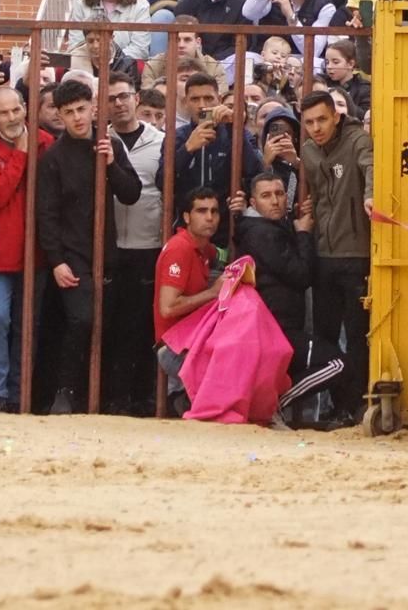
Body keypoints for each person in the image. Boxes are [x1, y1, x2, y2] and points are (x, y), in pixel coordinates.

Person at [36, 78, 142, 415]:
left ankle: (95, 396)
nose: (78, 118)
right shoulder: (53, 157)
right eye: (69, 112)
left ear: (93, 107)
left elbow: (132, 193)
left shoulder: (108, 144)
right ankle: (65, 392)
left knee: (106, 326)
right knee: (81, 320)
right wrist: (56, 260)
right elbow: (46, 214)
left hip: (108, 252)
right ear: (61, 116)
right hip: (72, 255)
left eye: (82, 109)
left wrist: (111, 163)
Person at [236, 172, 348, 422]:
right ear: (253, 204)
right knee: (337, 364)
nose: (275, 201)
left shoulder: (267, 227)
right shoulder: (262, 233)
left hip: (278, 328)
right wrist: (304, 234)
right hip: (278, 331)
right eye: (266, 196)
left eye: (279, 194)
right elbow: (300, 275)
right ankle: (275, 404)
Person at [0, 86, 52, 413]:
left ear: (25, 108)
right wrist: (21, 154)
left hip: (35, 250)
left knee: (28, 326)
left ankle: (19, 395)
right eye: (3, 113)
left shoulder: (45, 142)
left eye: (15, 110)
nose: (11, 118)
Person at [299, 90, 373, 422]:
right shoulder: (309, 152)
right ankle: (327, 406)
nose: (316, 128)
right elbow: (316, 193)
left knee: (358, 335)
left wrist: (370, 196)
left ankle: (354, 405)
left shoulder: (357, 139)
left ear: (336, 116)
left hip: (355, 253)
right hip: (324, 253)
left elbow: (369, 165)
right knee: (325, 334)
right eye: (310, 122)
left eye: (322, 120)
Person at [105, 71, 166, 416]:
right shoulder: (101, 139)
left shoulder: (160, 141)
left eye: (124, 96)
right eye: (111, 98)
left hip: (149, 244)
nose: (119, 103)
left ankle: (144, 399)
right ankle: (113, 397)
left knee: (144, 325)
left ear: (136, 98)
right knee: (112, 326)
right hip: (110, 247)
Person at [151, 186, 226, 415]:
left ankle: (185, 398)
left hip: (191, 341)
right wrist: (213, 292)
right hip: (174, 349)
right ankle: (182, 399)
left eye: (214, 211)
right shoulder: (180, 249)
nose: (209, 218)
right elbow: (168, 307)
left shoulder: (204, 248)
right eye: (201, 211)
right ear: (186, 217)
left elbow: (221, 255)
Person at [167, 72, 262, 243]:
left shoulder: (233, 133)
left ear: (218, 99)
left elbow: (255, 174)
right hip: (186, 230)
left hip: (228, 229)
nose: (202, 105)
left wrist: (234, 127)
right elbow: (163, 182)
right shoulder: (178, 137)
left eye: (208, 98)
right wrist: (187, 149)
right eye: (195, 99)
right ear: (186, 102)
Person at [67, 0, 153, 69]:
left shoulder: (140, 5)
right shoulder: (82, 4)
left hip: (124, 65)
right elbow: (75, 45)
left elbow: (140, 49)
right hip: (88, 63)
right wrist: (96, 60)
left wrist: (111, 59)